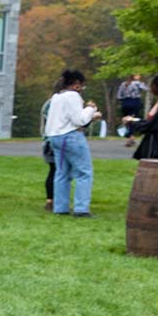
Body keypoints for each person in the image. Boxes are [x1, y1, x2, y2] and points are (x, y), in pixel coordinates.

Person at [43, 69, 100, 217]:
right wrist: (90, 109)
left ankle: (60, 208)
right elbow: (79, 120)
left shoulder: (56, 97)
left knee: (62, 173)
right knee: (84, 173)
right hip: (71, 137)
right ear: (76, 85)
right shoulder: (73, 96)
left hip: (55, 137)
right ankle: (81, 209)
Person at [125, 73, 158, 161]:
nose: (151, 87)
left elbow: (153, 126)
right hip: (152, 142)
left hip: (157, 145)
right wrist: (135, 121)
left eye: (153, 84)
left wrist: (132, 123)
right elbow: (152, 121)